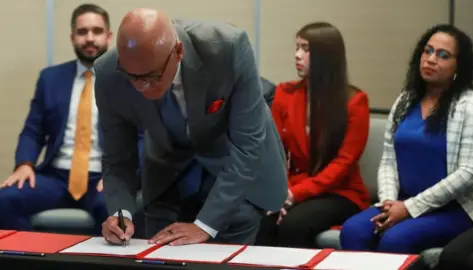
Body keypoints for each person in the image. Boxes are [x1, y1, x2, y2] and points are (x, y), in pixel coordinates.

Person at [95, 8, 288, 246]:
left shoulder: (227, 47)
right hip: (168, 173)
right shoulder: (108, 73)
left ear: (178, 52)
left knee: (227, 244)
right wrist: (120, 214)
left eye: (152, 77)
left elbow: (248, 145)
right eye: (131, 77)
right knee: (157, 252)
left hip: (233, 174)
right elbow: (117, 158)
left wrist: (204, 226)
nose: (140, 87)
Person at [340, 24, 473, 254]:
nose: (431, 59)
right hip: (400, 201)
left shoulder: (471, 106)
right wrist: (388, 203)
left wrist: (410, 208)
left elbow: (468, 172)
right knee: (353, 231)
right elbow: (388, 160)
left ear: (458, 66)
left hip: (453, 208)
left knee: (395, 240)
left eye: (443, 55)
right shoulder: (405, 101)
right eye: (428, 51)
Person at [0, 4, 117, 234]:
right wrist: (25, 164)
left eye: (97, 31)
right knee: (5, 199)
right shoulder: (50, 78)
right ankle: (35, 260)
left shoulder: (126, 81)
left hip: (104, 177)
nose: (90, 38)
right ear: (73, 37)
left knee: (112, 209)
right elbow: (33, 130)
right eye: (82, 32)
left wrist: (123, 177)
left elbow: (142, 137)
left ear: (109, 36)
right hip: (57, 177)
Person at [255, 22, 370, 248]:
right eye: (297, 47)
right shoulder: (285, 93)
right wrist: (281, 192)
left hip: (339, 192)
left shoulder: (355, 102)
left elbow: (343, 164)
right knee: (261, 220)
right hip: (293, 187)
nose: (297, 55)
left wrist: (294, 195)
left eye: (306, 49)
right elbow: (275, 152)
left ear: (326, 56)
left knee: (294, 225)